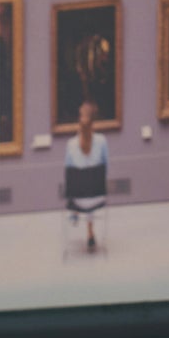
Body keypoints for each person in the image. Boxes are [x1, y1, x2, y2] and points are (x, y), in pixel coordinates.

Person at [62, 101, 109, 250]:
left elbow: (68, 174)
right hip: (98, 197)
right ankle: (90, 233)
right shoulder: (102, 141)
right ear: (94, 121)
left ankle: (75, 213)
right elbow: (105, 168)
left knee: (79, 184)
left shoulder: (71, 144)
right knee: (90, 184)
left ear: (79, 119)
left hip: (78, 199)